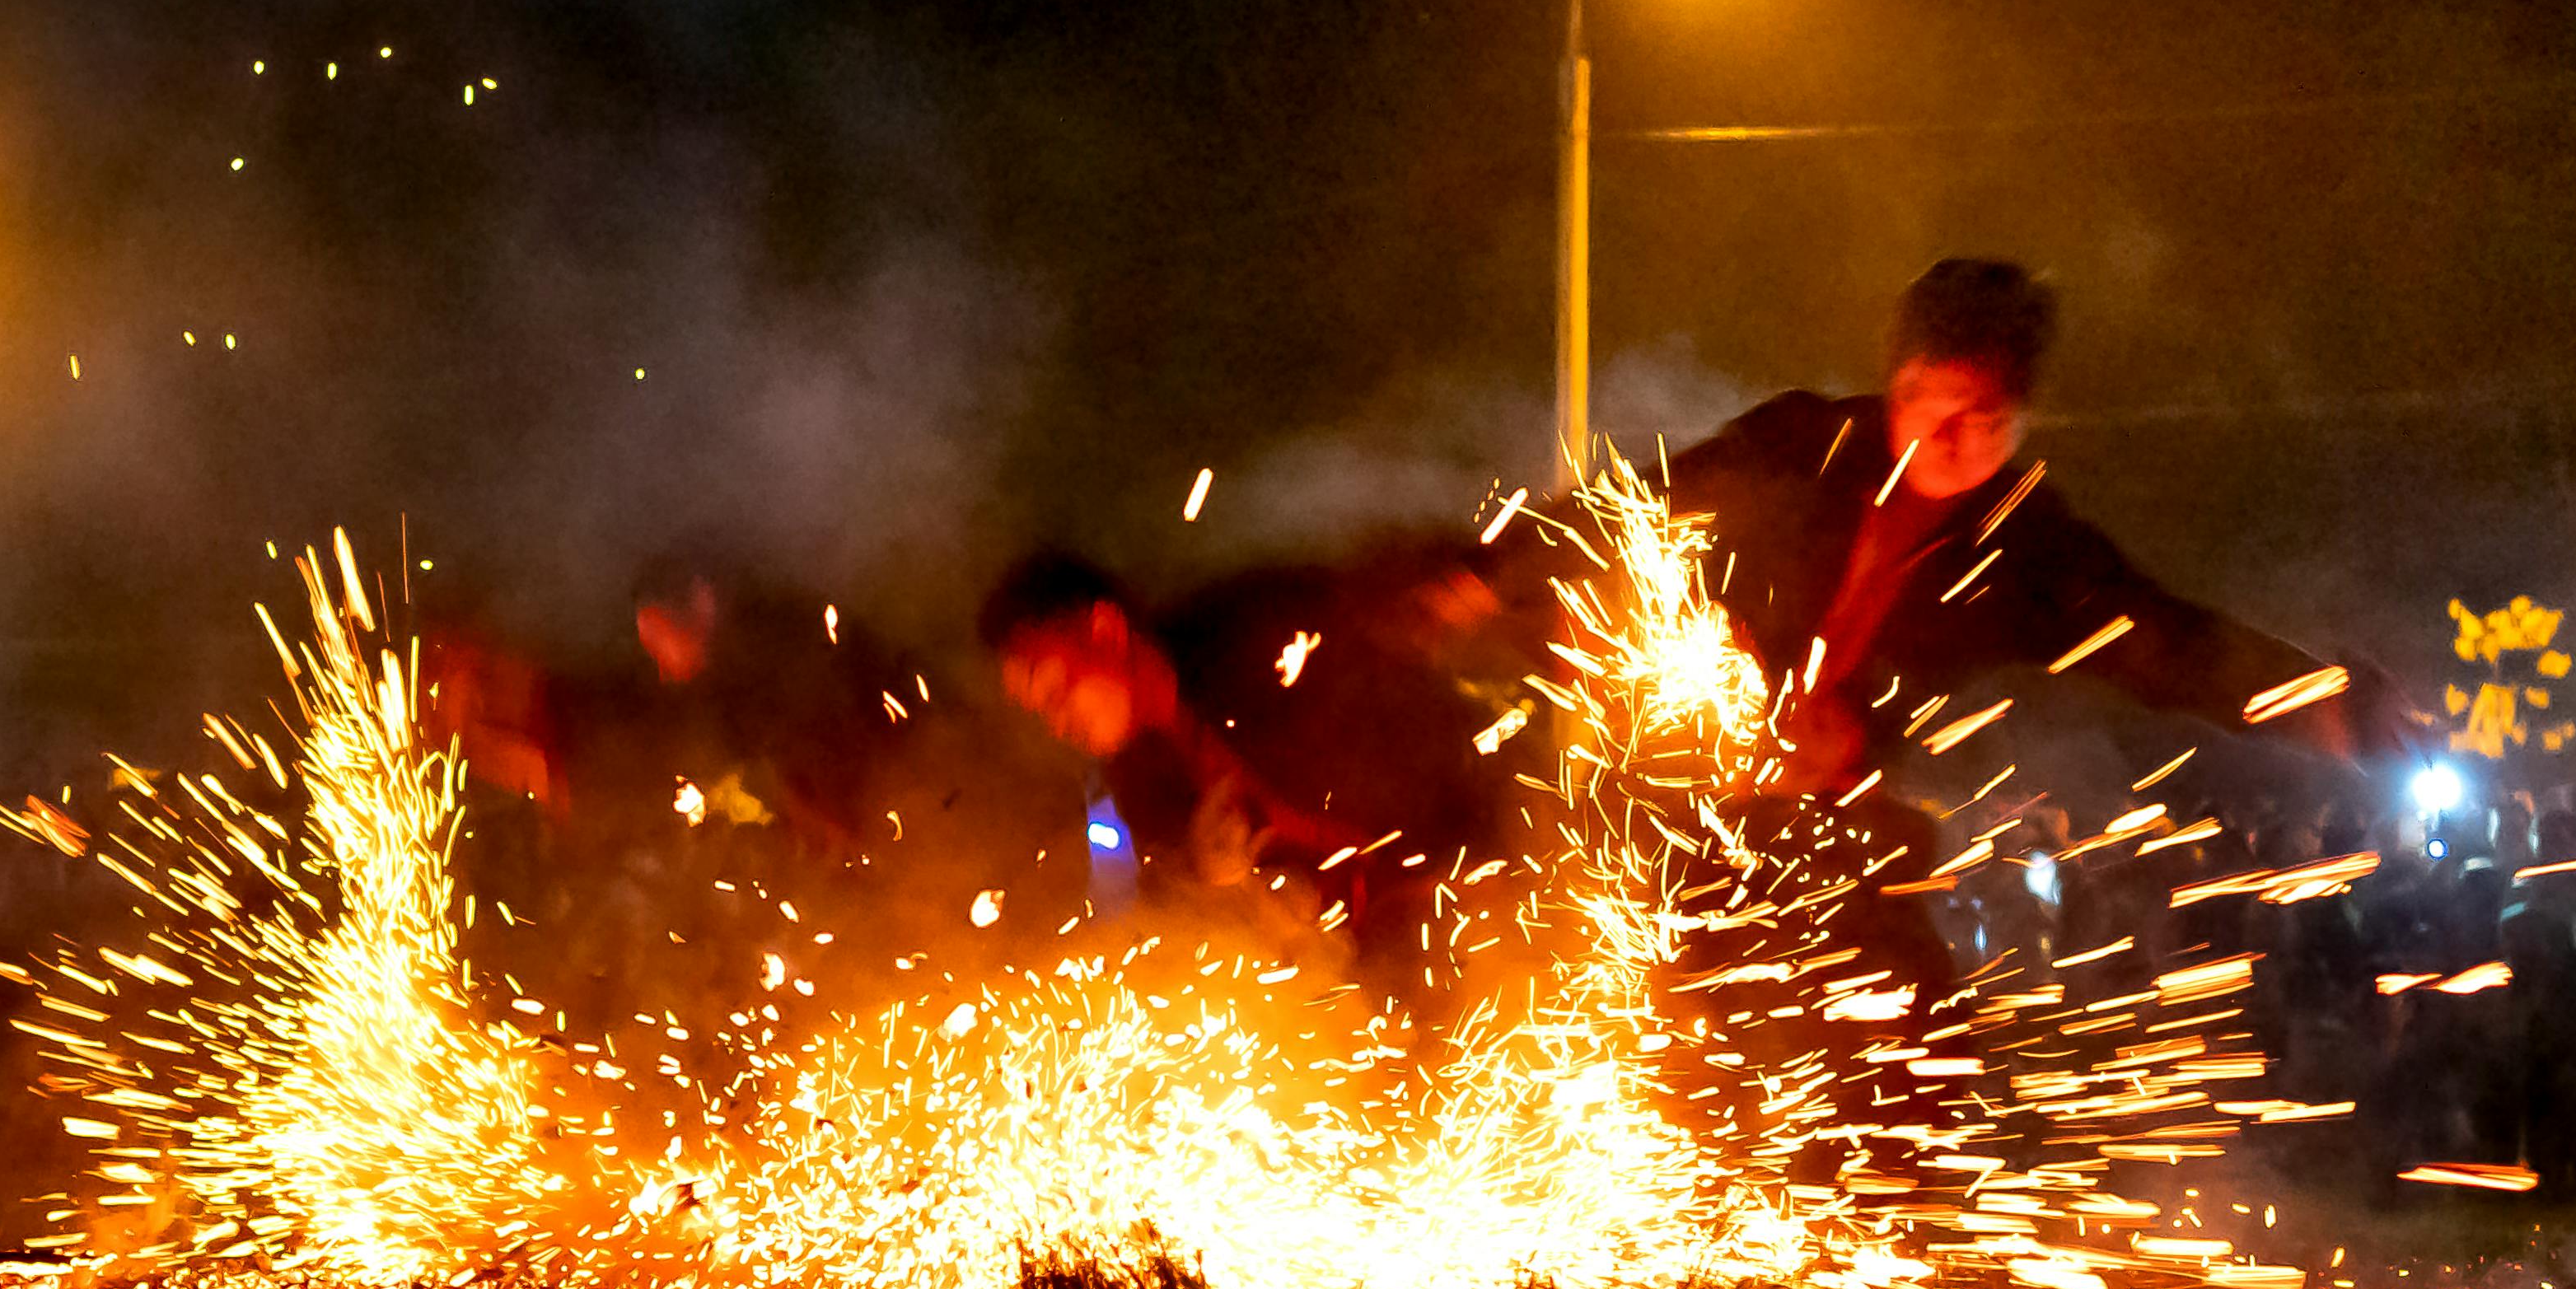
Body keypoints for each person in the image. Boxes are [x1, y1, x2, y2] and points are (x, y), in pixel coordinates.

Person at [1660, 258, 2392, 851]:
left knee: (1912, 1003)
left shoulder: (2020, 544)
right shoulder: (1793, 450)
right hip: (1662, 794)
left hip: (1824, 822)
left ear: (2020, 420)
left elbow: (2160, 640)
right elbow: (1607, 529)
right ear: (1898, 386)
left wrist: (2328, 704)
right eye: (1941, 406)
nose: (1958, 442)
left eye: (1989, 420)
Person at [976, 537, 1521, 995]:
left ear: (1103, 630)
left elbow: (1400, 595)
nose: (1055, 723)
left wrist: (1469, 588)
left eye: (1054, 689)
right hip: (1376, 966)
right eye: (1037, 710)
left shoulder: (1254, 631)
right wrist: (1220, 882)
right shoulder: (1142, 786)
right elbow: (1188, 924)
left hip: (1499, 864)